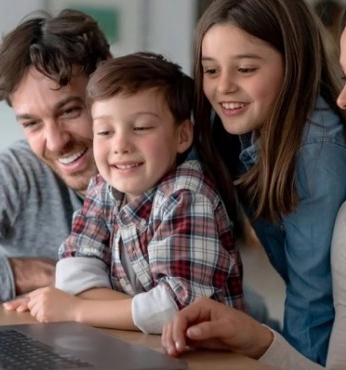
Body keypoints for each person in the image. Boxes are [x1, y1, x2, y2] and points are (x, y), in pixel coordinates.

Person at [163, 0, 346, 369]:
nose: (343, 98)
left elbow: (314, 305)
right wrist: (259, 340)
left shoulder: (318, 150)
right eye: (211, 70)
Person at [186, 0, 346, 364]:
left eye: (246, 69)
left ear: (293, 64)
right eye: (210, 70)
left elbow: (316, 298)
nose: (223, 88)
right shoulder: (236, 123)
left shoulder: (316, 150)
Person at [23, 52, 246, 334]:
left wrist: (77, 310)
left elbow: (178, 312)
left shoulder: (187, 196)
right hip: (140, 345)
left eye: (140, 127)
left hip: (210, 358)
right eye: (104, 131)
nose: (120, 145)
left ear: (182, 136)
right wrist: (139, 311)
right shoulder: (103, 187)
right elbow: (74, 272)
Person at [0, 9, 111, 303]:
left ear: (108, 90)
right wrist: (32, 273)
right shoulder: (20, 172)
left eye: (70, 111)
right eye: (32, 123)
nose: (56, 142)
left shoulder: (172, 168)